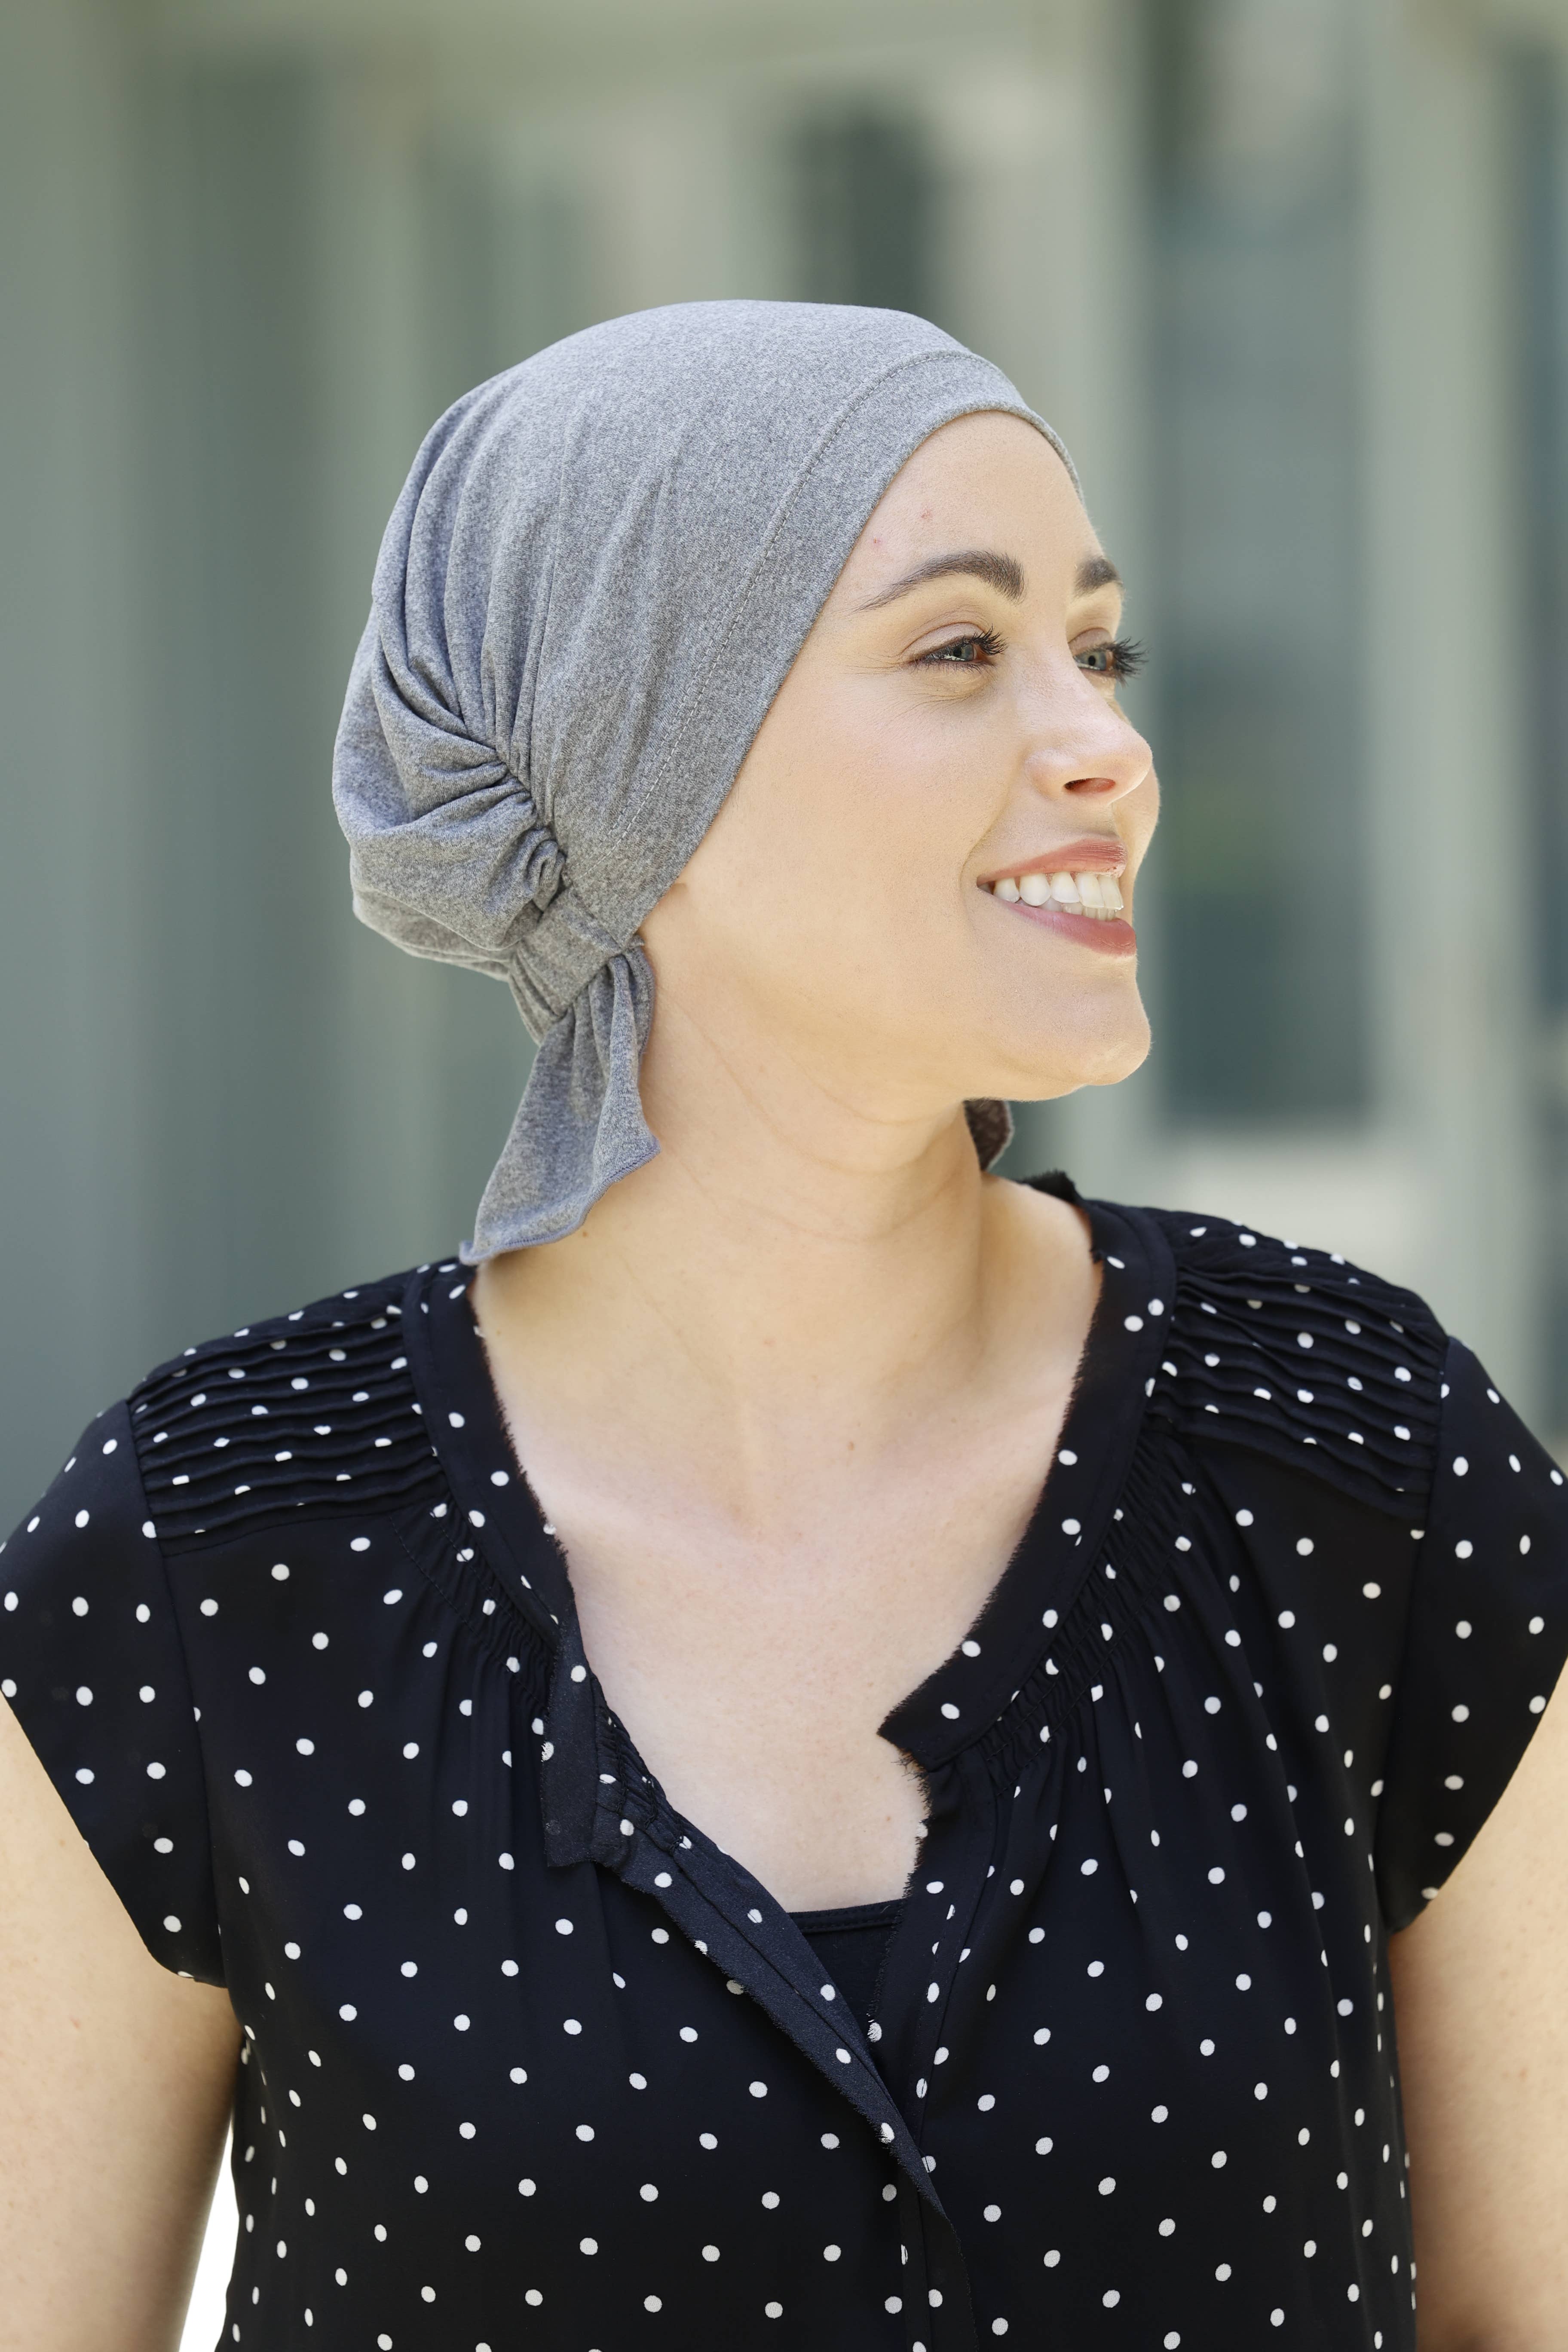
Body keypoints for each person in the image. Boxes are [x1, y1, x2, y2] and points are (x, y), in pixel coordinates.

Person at [2, 301, 1565, 2352]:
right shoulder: (213, 1549)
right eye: (960, 651)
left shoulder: (1359, 1455)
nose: (1108, 749)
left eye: (1099, 652)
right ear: (637, 763)